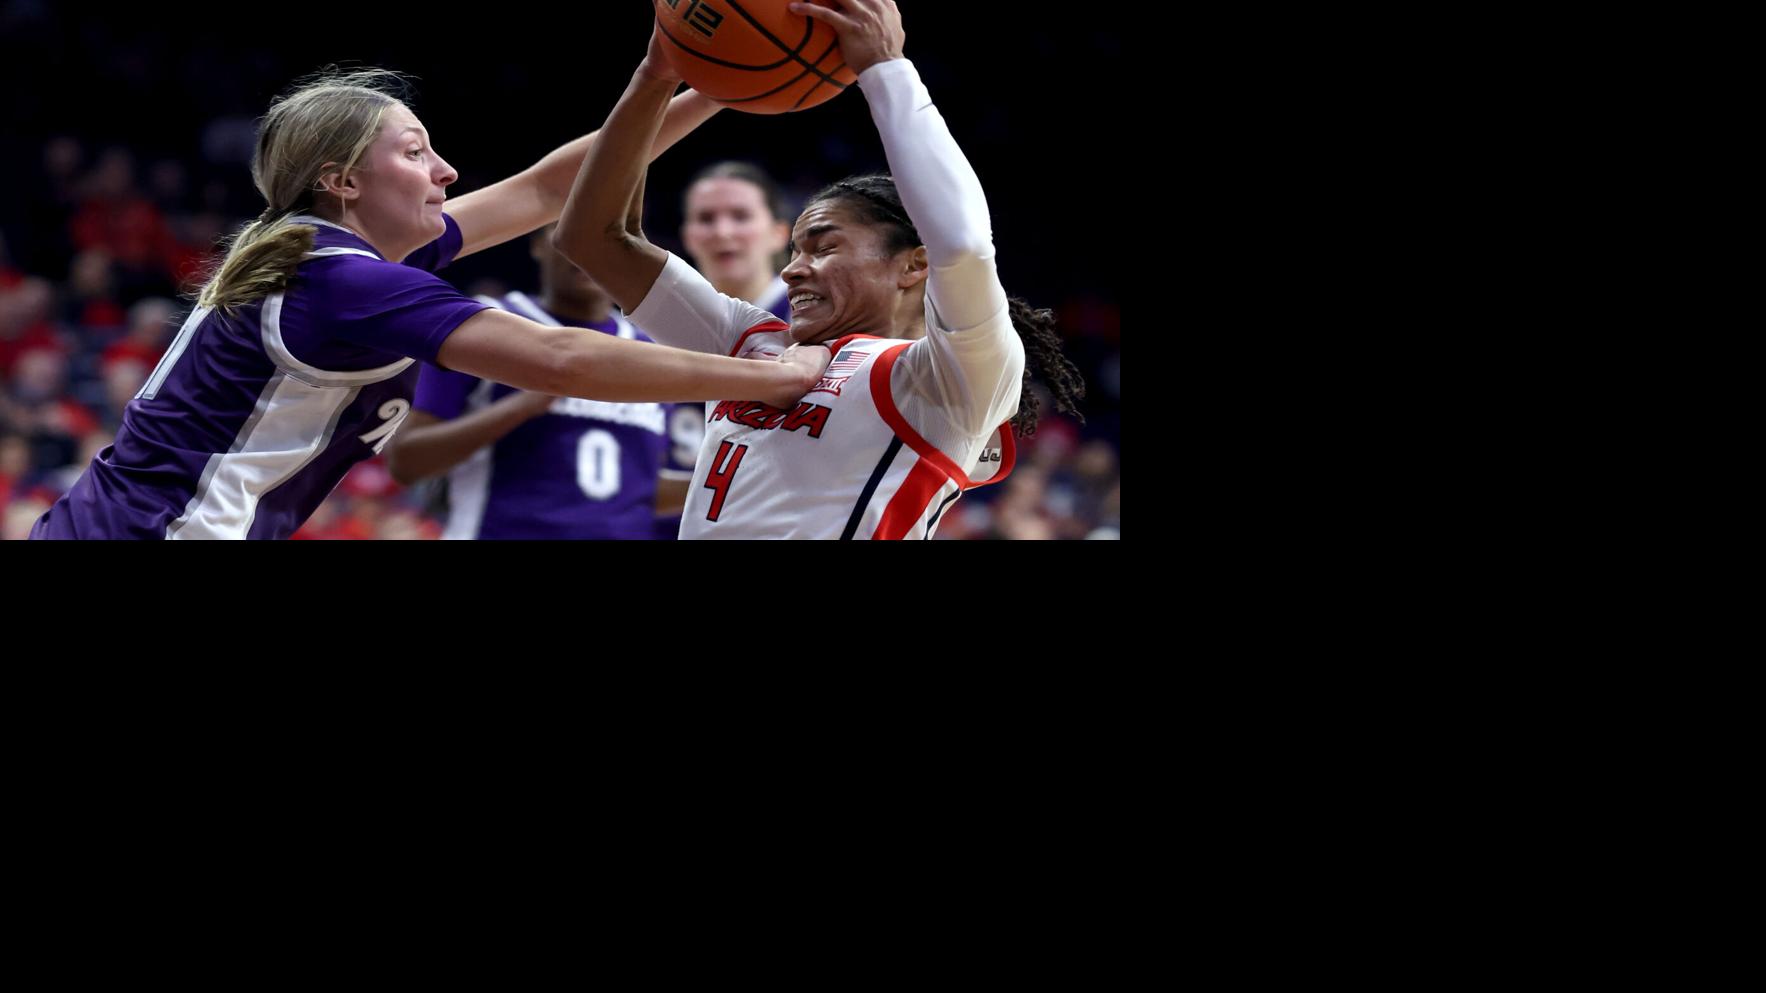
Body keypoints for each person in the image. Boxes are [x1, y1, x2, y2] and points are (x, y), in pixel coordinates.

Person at [31, 68, 827, 539]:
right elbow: (562, 357)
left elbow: (549, 188)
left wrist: (697, 86)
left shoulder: (327, 254)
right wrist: (774, 373)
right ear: (342, 181)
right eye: (415, 153)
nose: (446, 171)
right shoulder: (345, 283)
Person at [555, 2, 1084, 539]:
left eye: (823, 248)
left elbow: (965, 245)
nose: (793, 272)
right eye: (794, 252)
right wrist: (656, 75)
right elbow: (591, 239)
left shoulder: (942, 384)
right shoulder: (752, 344)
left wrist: (885, 68)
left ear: (913, 264)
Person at [385, 226, 692, 539]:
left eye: (608, 235)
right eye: (573, 230)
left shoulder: (647, 351)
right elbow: (406, 461)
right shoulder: (483, 326)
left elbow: (636, 488)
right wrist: (527, 403)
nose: (589, 250)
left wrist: (724, 484)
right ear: (538, 245)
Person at [657, 161, 794, 537]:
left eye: (740, 216)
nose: (722, 232)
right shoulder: (650, 318)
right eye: (706, 218)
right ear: (687, 235)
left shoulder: (816, 319)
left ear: (779, 233)